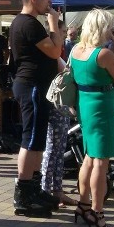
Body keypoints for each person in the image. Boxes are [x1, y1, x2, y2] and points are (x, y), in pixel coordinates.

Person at [70, 9, 114, 227]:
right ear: (103, 28)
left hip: (84, 105)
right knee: (100, 162)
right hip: (102, 106)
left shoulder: (76, 50)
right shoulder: (103, 55)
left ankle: (83, 204)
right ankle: (97, 212)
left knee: (88, 158)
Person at [9, 0, 63, 216]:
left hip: (36, 86)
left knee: (37, 139)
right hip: (31, 85)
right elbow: (54, 51)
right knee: (30, 139)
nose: (49, 2)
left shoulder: (26, 22)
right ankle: (23, 194)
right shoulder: (28, 23)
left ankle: (34, 187)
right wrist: (53, 24)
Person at [41, 20, 77, 208]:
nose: (64, 35)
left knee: (58, 149)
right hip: (53, 105)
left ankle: (57, 190)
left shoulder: (59, 52)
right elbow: (66, 72)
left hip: (61, 106)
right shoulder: (51, 53)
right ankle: (47, 191)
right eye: (62, 32)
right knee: (52, 149)